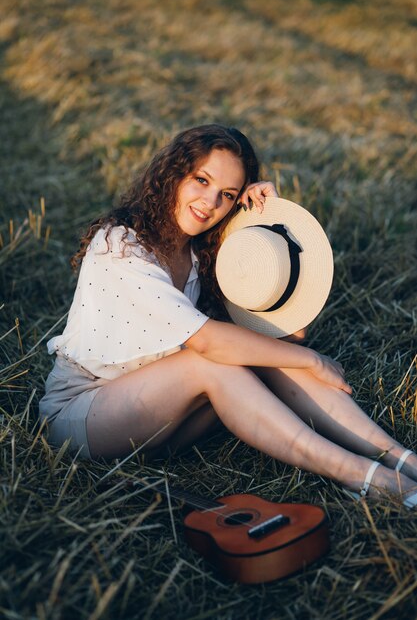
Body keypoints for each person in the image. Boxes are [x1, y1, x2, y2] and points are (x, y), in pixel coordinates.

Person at [39, 123, 417, 507]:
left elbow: (287, 334)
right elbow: (209, 342)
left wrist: (258, 224)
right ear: (172, 175)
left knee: (257, 351)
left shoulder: (200, 250)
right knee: (213, 362)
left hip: (163, 421)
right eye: (201, 180)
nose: (210, 202)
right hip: (84, 416)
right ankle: (362, 476)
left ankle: (400, 458)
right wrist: (314, 360)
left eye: (228, 194)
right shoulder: (119, 244)